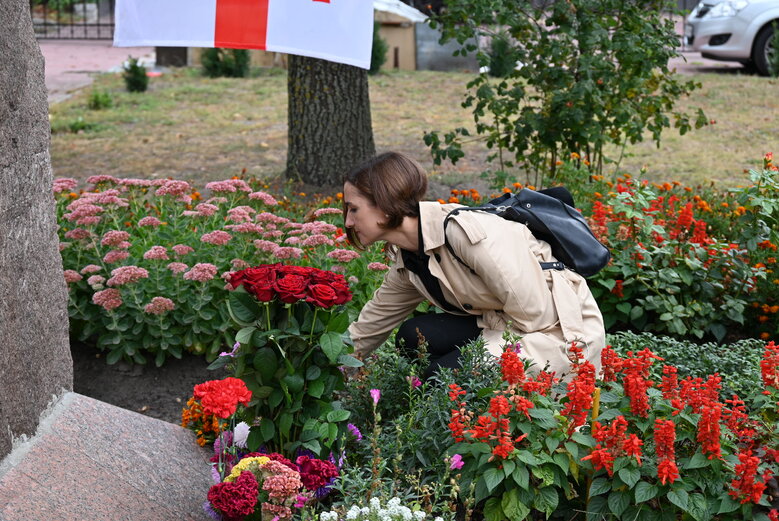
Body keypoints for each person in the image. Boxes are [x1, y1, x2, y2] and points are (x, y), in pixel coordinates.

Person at [343, 151, 605, 379]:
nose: (348, 223)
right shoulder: (410, 257)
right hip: (511, 323)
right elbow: (371, 326)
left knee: (442, 379)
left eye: (353, 209)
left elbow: (536, 313)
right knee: (413, 336)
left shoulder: (466, 234)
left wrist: (473, 356)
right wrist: (329, 367)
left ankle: (498, 410)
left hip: (561, 334)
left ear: (385, 207)